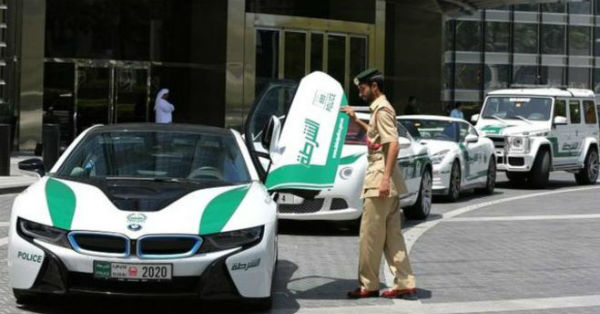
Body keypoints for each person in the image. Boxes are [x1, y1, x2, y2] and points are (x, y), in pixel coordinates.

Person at [342, 68, 417, 300]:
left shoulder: (382, 109)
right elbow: (378, 137)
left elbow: (392, 144)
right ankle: (404, 282)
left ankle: (368, 285)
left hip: (379, 180)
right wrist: (358, 121)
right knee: (393, 236)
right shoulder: (380, 110)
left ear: (374, 86)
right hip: (387, 180)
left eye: (363, 88)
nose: (360, 92)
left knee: (370, 235)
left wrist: (383, 180)